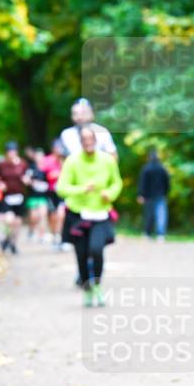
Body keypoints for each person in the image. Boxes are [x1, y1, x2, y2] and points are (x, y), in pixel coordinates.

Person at [56, 126, 123, 307]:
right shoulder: (72, 161)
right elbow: (61, 188)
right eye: (84, 140)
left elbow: (116, 182)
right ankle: (87, 288)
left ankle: (98, 285)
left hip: (100, 214)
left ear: (95, 140)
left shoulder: (107, 160)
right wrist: (81, 189)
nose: (88, 143)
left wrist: (110, 193)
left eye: (90, 139)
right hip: (78, 215)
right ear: (80, 142)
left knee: (96, 249)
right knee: (82, 255)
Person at [0, 142, 30, 254]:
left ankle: (12, 243)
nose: (11, 154)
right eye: (9, 151)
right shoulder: (2, 164)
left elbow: (27, 176)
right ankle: (6, 240)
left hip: (19, 197)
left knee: (17, 223)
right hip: (7, 197)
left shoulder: (22, 164)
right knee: (9, 220)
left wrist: (26, 180)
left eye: (13, 151)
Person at [136, 148, 170, 241]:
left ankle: (148, 233)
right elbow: (167, 183)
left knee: (149, 215)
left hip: (148, 196)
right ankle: (160, 235)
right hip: (160, 195)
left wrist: (140, 195)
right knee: (161, 215)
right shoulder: (162, 168)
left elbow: (142, 183)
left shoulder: (146, 168)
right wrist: (166, 192)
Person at [40, 141, 68, 249]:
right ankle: (54, 235)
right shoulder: (47, 161)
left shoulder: (66, 160)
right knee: (53, 216)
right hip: (50, 193)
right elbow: (42, 175)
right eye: (57, 148)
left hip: (63, 192)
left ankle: (61, 237)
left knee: (62, 215)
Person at [24, 147, 51, 242]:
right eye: (37, 156)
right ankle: (31, 231)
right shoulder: (31, 168)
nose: (39, 158)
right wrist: (32, 182)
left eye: (41, 156)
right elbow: (25, 179)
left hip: (43, 197)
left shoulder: (46, 168)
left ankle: (42, 234)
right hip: (32, 196)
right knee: (33, 217)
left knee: (42, 215)